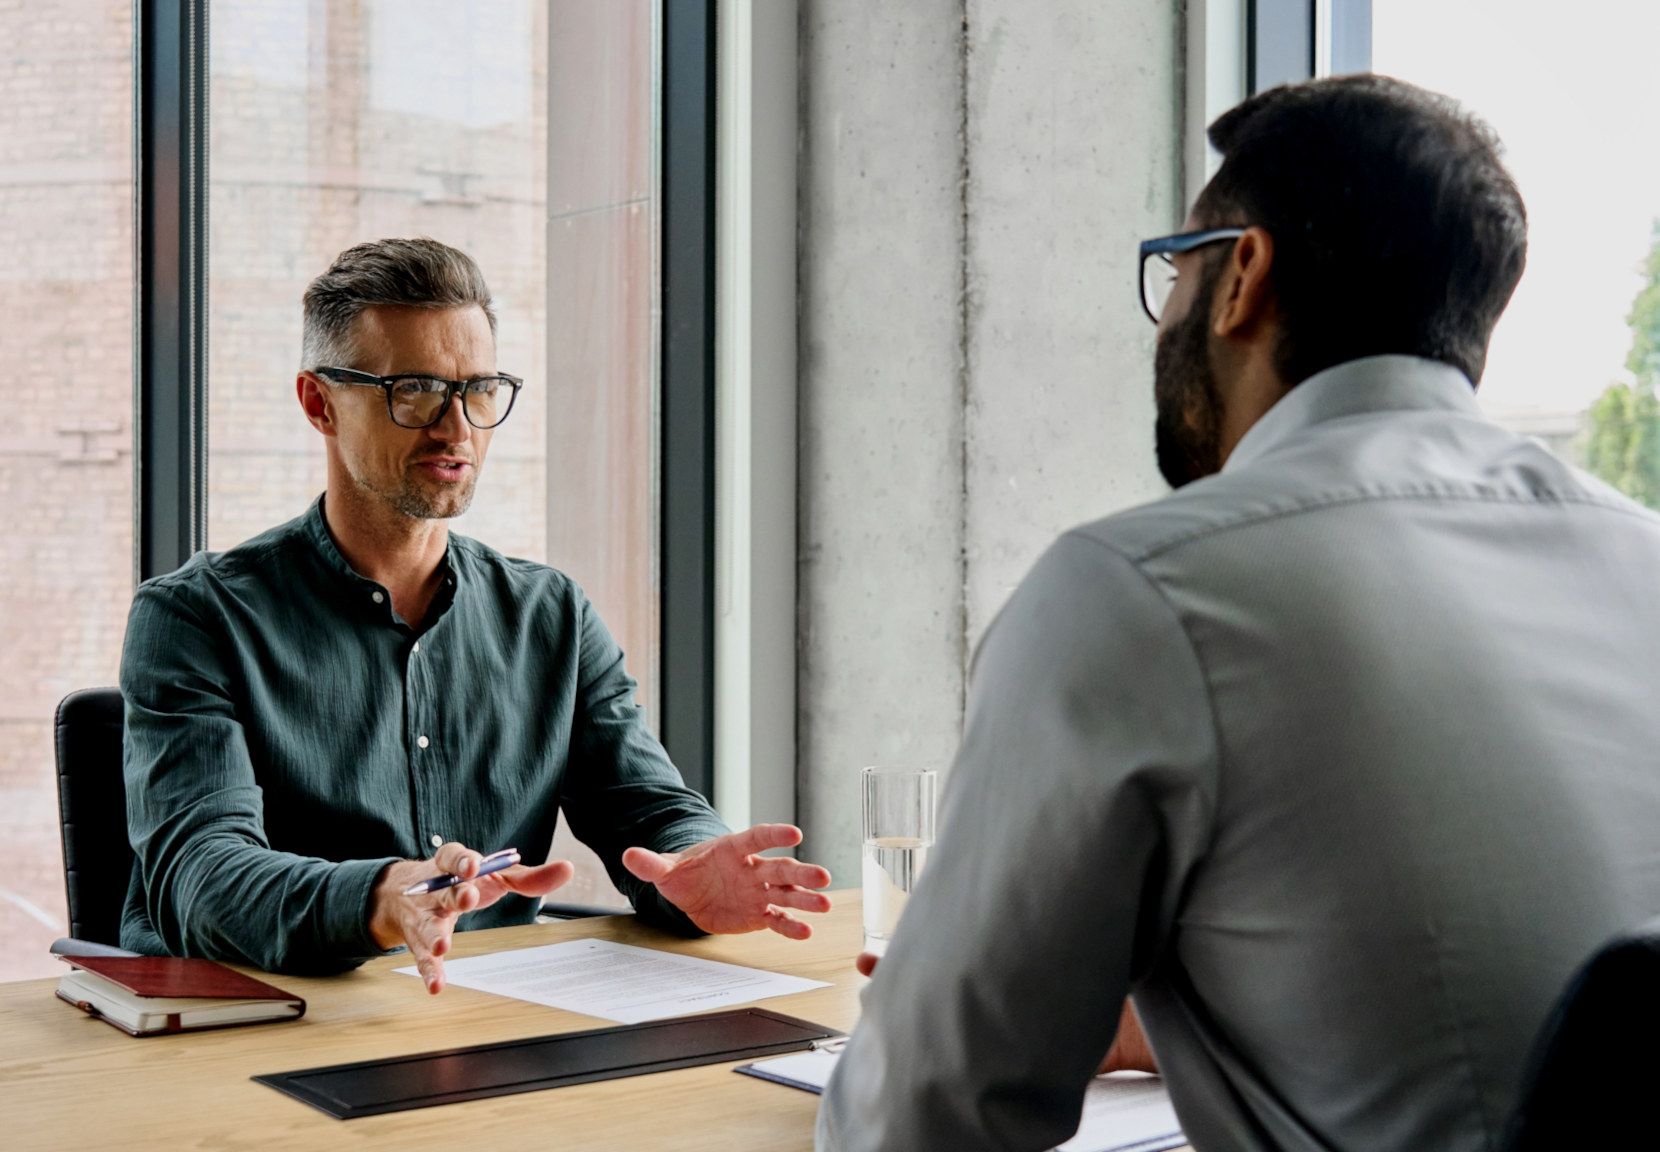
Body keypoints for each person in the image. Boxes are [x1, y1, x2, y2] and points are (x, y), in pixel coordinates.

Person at [819, 74, 1660, 1151]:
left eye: (1173, 269)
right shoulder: (1641, 553)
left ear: (1240, 277)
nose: (1165, 312)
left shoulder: (1143, 591)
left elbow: (919, 1122)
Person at [120, 238, 830, 988]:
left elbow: (648, 811)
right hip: (262, 1039)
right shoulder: (196, 618)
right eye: (417, 389)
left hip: (481, 1025)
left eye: (480, 389)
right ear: (318, 402)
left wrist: (692, 862)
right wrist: (381, 899)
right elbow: (200, 877)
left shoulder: (550, 615)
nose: (456, 428)